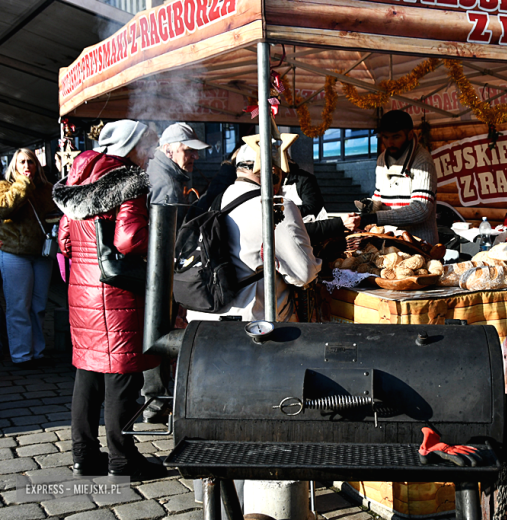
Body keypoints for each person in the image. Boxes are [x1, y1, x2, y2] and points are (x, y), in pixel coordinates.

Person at [53, 120, 167, 481]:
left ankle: (83, 456)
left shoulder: (76, 179)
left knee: (87, 374)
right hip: (116, 297)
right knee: (122, 376)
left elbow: (65, 241)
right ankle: (122, 459)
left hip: (83, 289)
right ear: (130, 146)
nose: (150, 152)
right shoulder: (129, 181)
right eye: (146, 144)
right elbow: (129, 239)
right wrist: (161, 239)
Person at [187, 140, 321, 323]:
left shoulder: (217, 199)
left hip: (204, 317)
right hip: (254, 325)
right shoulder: (277, 206)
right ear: (273, 172)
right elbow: (304, 273)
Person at [143, 122, 209, 423]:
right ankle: (155, 403)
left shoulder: (166, 174)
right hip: (158, 272)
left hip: (156, 270)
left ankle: (155, 401)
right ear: (169, 149)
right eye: (188, 151)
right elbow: (170, 237)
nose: (193, 157)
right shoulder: (167, 184)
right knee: (158, 331)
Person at [0, 149, 57, 367]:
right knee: (18, 305)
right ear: (14, 166)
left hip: (41, 252)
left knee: (39, 305)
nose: (27, 166)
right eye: (22, 162)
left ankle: (38, 351)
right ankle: (21, 355)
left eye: (31, 162)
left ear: (37, 165)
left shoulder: (47, 189)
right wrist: (23, 183)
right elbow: (5, 209)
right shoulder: (5, 187)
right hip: (14, 253)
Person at [355, 110, 438, 244]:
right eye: (385, 137)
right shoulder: (382, 159)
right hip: (391, 241)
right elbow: (379, 197)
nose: (389, 143)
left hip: (421, 243)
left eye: (396, 137)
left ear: (410, 134)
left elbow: (421, 210)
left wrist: (375, 218)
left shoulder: (422, 160)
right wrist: (370, 206)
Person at [147, 122, 210, 205]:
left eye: (196, 150)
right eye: (189, 150)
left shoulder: (150, 162)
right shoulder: (169, 188)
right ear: (168, 151)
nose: (196, 156)